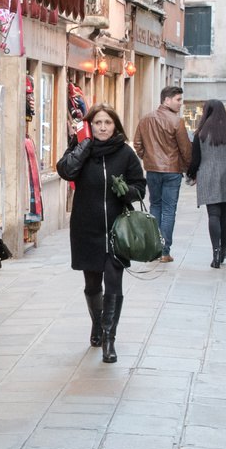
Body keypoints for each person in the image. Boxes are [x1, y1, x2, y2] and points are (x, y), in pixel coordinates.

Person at [58, 104, 146, 362]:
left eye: (108, 122)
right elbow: (65, 170)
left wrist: (126, 191)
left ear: (115, 125)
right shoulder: (81, 148)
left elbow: (140, 186)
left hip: (117, 229)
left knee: (114, 281)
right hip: (86, 228)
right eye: (98, 123)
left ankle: (109, 338)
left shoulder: (125, 153)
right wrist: (83, 146)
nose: (103, 127)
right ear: (90, 125)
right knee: (92, 284)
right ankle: (97, 324)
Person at [132, 85, 192, 262]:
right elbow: (186, 149)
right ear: (167, 100)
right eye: (178, 99)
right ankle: (164, 251)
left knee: (155, 206)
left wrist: (148, 158)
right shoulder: (176, 121)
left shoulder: (145, 119)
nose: (181, 103)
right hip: (172, 170)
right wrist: (188, 168)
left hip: (152, 170)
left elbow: (137, 144)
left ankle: (154, 247)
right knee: (168, 210)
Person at [186, 98, 226, 268]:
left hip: (207, 176)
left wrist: (190, 174)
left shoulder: (200, 132)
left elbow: (196, 159)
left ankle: (216, 251)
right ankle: (224, 247)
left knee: (213, 214)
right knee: (225, 214)